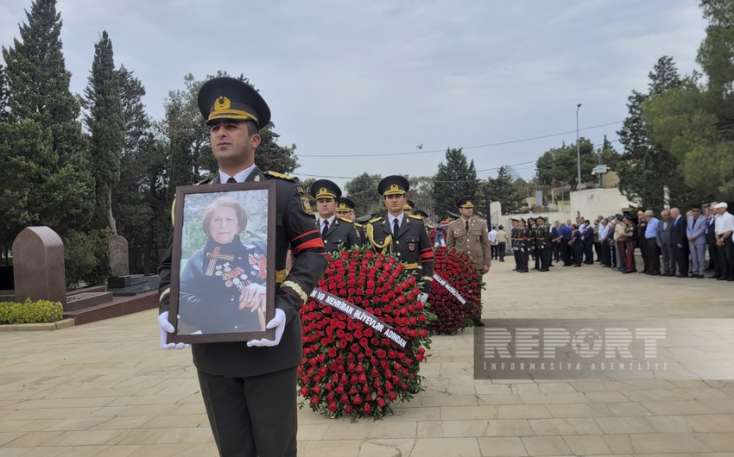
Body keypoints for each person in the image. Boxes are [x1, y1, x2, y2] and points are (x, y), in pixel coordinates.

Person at [157, 77, 327, 457]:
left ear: (255, 140)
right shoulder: (192, 200)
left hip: (269, 345)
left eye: (231, 126)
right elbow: (170, 265)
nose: (220, 133)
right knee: (232, 450)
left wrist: (285, 307)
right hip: (213, 351)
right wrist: (168, 306)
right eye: (215, 127)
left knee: (275, 449)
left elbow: (313, 254)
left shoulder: (282, 192)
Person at [178, 197, 268, 335]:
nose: (223, 225)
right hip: (217, 340)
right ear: (208, 225)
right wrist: (232, 306)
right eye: (217, 220)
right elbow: (182, 301)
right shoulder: (197, 260)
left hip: (262, 339)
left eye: (229, 220)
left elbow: (279, 280)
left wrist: (263, 290)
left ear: (238, 225)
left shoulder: (259, 249)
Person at [365, 176, 434, 293]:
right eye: (390, 197)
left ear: (404, 199)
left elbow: (427, 256)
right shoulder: (374, 226)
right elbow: (368, 259)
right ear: (384, 201)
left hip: (412, 284)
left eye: (398, 196)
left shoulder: (417, 224)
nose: (394, 200)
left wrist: (426, 281)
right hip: (383, 285)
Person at [310, 179, 358, 252]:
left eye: (328, 201)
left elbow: (356, 255)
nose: (324, 204)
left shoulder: (348, 227)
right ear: (316, 205)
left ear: (336, 204)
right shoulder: (309, 227)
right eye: (321, 201)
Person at [714, 202, 734, 281]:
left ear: (724, 208)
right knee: (722, 258)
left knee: (729, 257)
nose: (717, 210)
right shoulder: (717, 217)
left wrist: (722, 239)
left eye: (719, 209)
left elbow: (730, 230)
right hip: (719, 237)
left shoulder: (730, 217)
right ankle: (724, 274)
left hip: (727, 237)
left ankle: (731, 275)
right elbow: (716, 230)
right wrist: (717, 239)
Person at [687, 206, 706, 278]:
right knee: (693, 257)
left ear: (699, 212)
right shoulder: (689, 218)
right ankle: (695, 271)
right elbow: (688, 228)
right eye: (693, 211)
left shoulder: (703, 219)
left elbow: (702, 229)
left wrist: (694, 236)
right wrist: (689, 236)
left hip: (699, 240)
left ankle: (701, 272)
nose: (695, 212)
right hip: (691, 240)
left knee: (700, 257)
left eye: (697, 211)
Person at [670, 207, 689, 277]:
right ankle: (681, 271)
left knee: (682, 257)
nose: (671, 215)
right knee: (679, 258)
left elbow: (683, 232)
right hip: (675, 242)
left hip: (681, 243)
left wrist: (680, 242)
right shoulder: (675, 220)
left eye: (671, 213)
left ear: (675, 213)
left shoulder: (682, 220)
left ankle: (684, 272)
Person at [657, 209, 674, 276]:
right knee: (664, 258)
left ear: (669, 215)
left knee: (671, 257)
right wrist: (658, 241)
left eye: (665, 215)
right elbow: (657, 232)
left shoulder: (672, 222)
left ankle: (672, 271)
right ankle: (665, 271)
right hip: (662, 243)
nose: (664, 217)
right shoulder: (660, 222)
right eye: (663, 216)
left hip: (670, 243)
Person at [644, 210, 661, 275]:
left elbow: (658, 231)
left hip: (653, 239)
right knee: (650, 255)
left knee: (654, 255)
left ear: (649, 216)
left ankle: (656, 270)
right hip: (648, 240)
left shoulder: (656, 221)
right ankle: (651, 269)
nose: (645, 218)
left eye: (645, 216)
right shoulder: (649, 222)